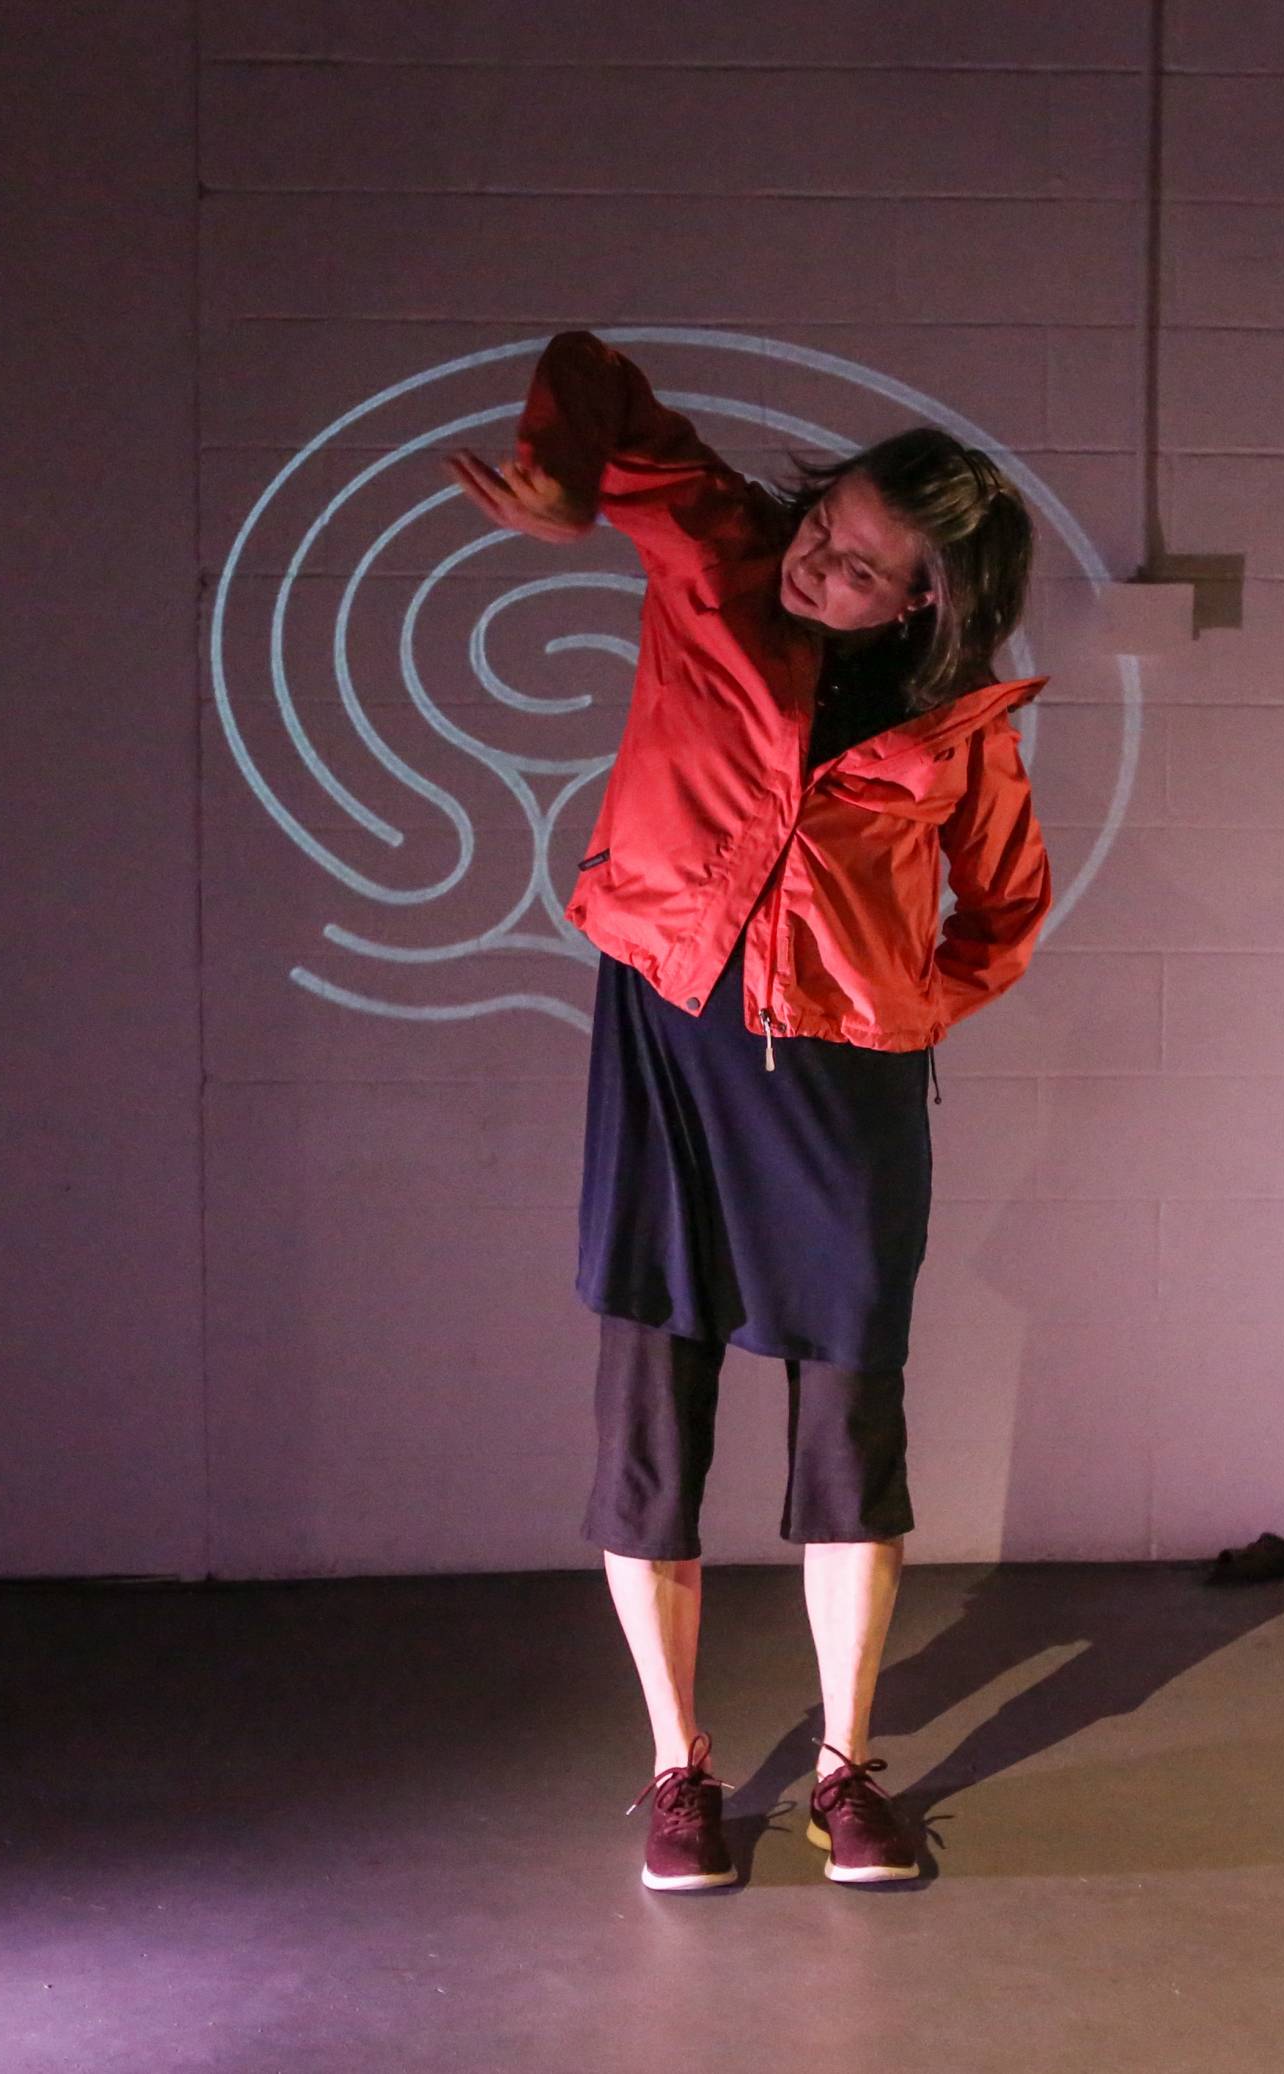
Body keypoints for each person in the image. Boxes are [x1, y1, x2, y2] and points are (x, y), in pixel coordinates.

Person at [445, 330, 1052, 1893]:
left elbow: (1003, 911)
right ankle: (676, 1768)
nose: (815, 562)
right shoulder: (718, 558)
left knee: (851, 1424)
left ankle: (846, 1770)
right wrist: (569, 485)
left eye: (859, 566)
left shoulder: (956, 729)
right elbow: (590, 371)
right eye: (821, 525)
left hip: (843, 1083)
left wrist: (901, 1007)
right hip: (664, 1039)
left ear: (925, 599)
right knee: (652, 1415)